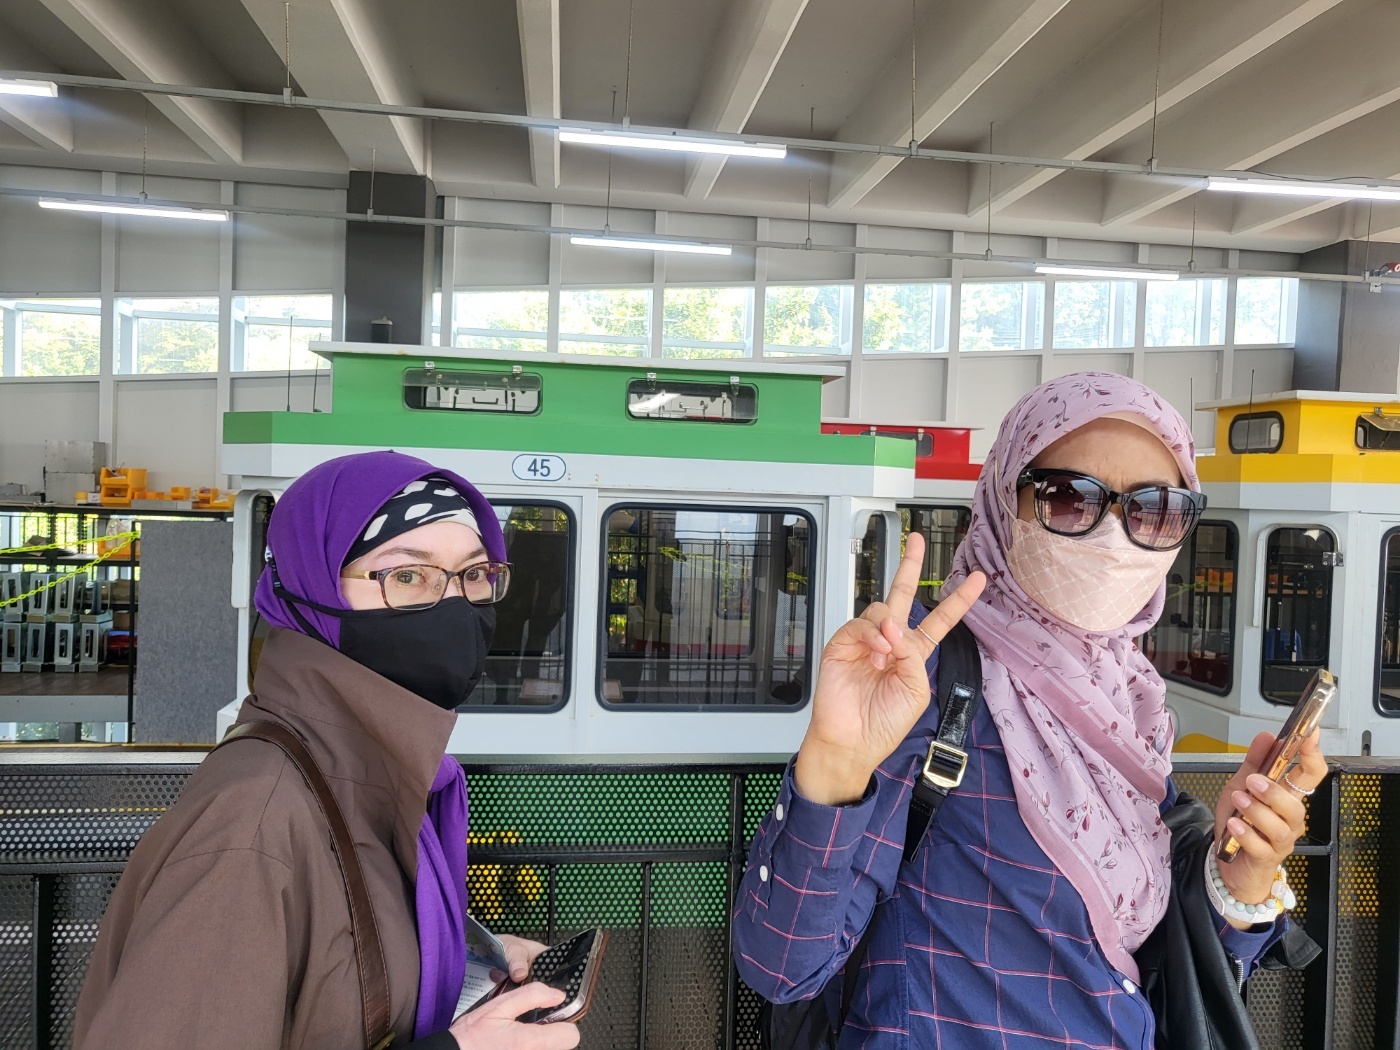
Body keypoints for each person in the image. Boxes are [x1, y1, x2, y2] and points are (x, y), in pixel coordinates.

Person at [733, 373, 1327, 1048]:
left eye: (1155, 509)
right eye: (1068, 498)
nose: (1112, 537)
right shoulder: (923, 677)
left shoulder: (1132, 704)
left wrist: (1240, 876)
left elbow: (1159, 962)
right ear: (1001, 499)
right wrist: (834, 765)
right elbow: (784, 966)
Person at [74, 451, 580, 1050]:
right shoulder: (253, 822)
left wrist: (467, 963)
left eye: (473, 575)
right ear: (309, 590)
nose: (454, 604)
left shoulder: (362, 773)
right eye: (408, 576)